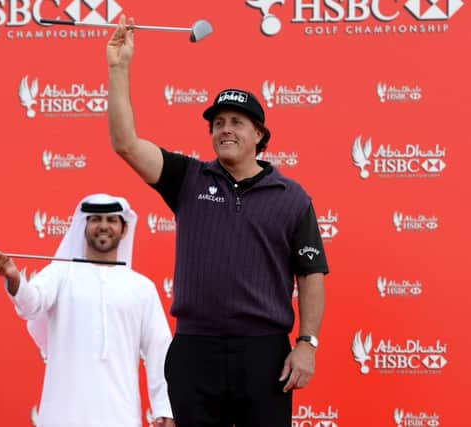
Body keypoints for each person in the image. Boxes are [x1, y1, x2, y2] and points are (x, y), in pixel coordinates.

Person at [106, 16, 328, 427]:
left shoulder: (292, 197)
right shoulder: (187, 178)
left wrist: (307, 343)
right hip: (195, 349)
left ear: (260, 134)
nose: (225, 129)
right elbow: (125, 144)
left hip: (264, 354)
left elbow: (311, 273)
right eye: (218, 123)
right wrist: (119, 68)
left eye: (236, 122)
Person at [0, 193, 174, 427]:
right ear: (84, 225)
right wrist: (14, 279)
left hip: (121, 416)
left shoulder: (142, 288)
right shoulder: (61, 274)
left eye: (111, 220)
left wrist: (164, 408)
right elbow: (31, 303)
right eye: (95, 219)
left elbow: (160, 351)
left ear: (124, 229)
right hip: (63, 417)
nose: (103, 226)